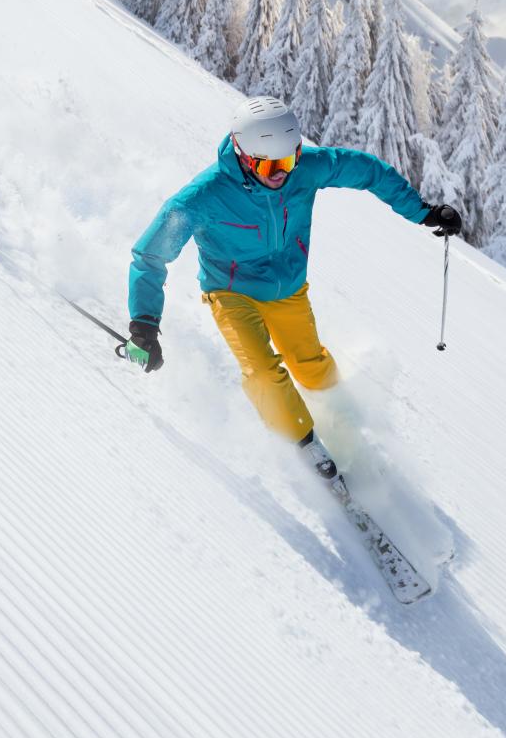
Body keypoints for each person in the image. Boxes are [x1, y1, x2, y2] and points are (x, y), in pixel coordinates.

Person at [127, 97, 461, 478]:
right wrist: (144, 325)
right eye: (270, 165)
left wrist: (423, 212)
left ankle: (342, 421)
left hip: (288, 289)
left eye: (288, 160)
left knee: (312, 365)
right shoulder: (203, 197)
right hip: (231, 291)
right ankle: (302, 445)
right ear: (243, 154)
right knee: (265, 372)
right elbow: (149, 257)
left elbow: (368, 172)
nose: (281, 173)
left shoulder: (305, 169)